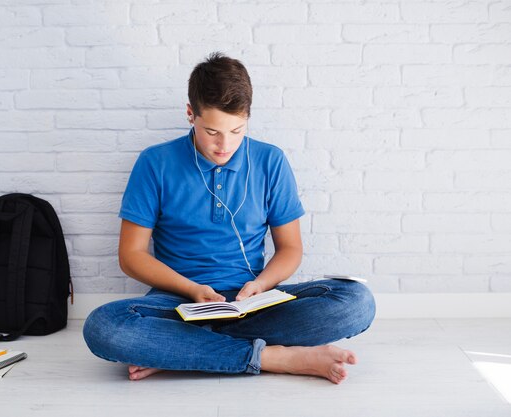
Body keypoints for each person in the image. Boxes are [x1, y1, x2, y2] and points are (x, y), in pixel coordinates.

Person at [83, 52, 376, 384]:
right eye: (212, 132)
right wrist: (192, 289)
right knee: (103, 326)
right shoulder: (155, 163)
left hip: (253, 301)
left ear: (248, 117)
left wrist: (261, 285)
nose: (225, 145)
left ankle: (181, 352)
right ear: (190, 114)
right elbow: (131, 255)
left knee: (356, 301)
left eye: (236, 131)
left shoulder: (270, 161)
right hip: (178, 304)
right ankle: (272, 356)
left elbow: (290, 248)